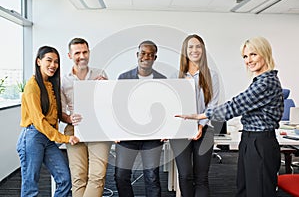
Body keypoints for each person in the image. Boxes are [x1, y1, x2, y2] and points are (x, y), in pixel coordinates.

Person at [175, 36, 284, 197]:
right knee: (244, 189)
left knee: (258, 191)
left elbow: (235, 105)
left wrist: (201, 116)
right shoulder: (259, 80)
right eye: (245, 56)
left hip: (260, 142)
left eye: (253, 54)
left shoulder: (266, 82)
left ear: (265, 53)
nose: (248, 60)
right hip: (250, 139)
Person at [16, 46, 80, 197]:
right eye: (49, 60)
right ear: (39, 61)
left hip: (48, 136)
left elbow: (55, 114)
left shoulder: (51, 84)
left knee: (64, 179)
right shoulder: (32, 86)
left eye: (56, 62)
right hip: (33, 137)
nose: (53, 65)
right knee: (31, 185)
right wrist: (65, 138)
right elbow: (39, 121)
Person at [169, 34, 220, 197]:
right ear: (185, 51)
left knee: (201, 178)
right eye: (190, 47)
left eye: (198, 46)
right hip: (180, 132)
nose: (194, 50)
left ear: (203, 50)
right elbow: (170, 107)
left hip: (204, 131)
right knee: (184, 175)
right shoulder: (174, 77)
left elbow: (212, 104)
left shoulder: (212, 76)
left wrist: (200, 126)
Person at [61, 38, 112, 197]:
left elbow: (110, 105)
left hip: (99, 127)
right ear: (70, 55)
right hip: (75, 129)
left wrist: (105, 88)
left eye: (85, 52)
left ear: (89, 53)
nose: (82, 56)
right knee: (78, 177)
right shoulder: (63, 80)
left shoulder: (100, 74)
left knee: (97, 176)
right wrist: (70, 119)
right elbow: (61, 112)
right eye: (77, 53)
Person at [114, 40, 166, 197]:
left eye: (151, 54)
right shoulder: (123, 78)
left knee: (152, 177)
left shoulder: (163, 80)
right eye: (143, 53)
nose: (146, 57)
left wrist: (166, 130)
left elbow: (166, 108)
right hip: (127, 135)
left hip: (152, 136)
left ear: (155, 58)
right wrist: (115, 130)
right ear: (137, 55)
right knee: (121, 176)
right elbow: (117, 106)